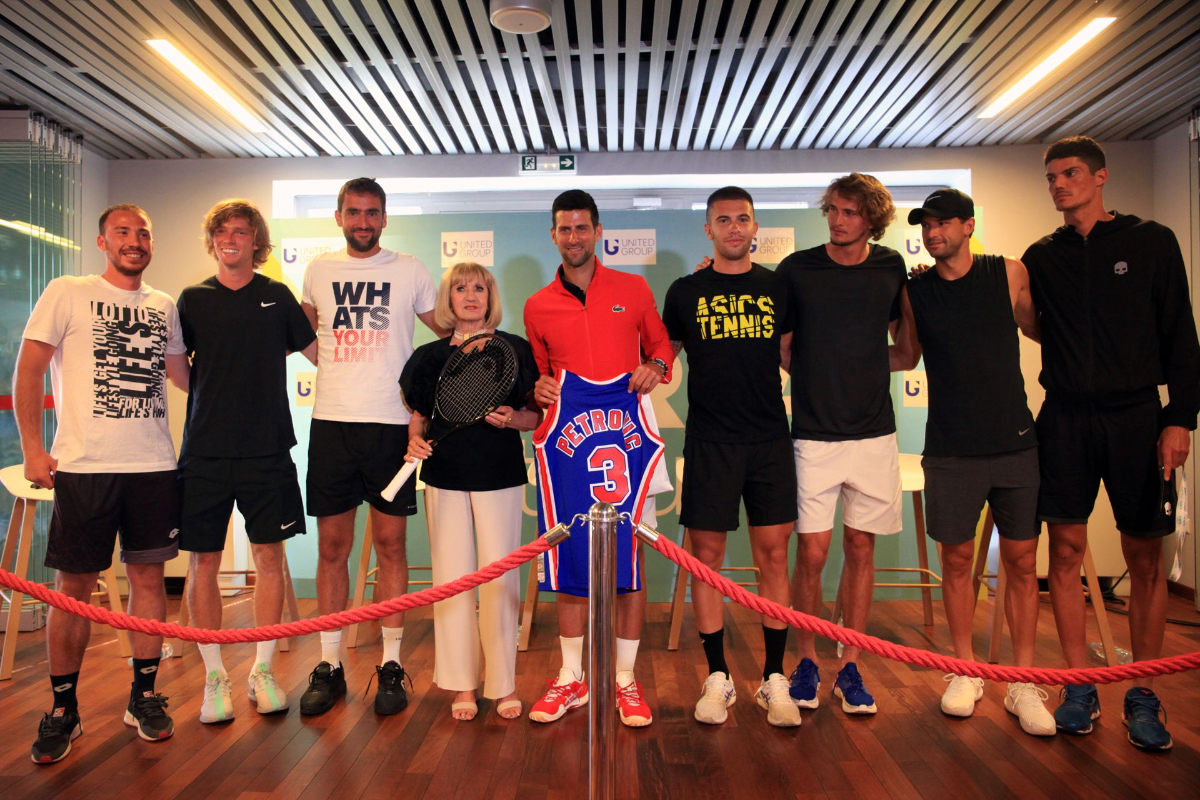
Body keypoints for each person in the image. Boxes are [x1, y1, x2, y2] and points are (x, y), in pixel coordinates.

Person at [1023, 136, 1200, 750]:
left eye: (1070, 173)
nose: (1059, 185)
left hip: (1137, 418)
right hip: (1065, 417)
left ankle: (1142, 691)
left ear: (1100, 177)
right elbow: (1036, 324)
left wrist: (1180, 419)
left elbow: (1181, 334)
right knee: (1065, 552)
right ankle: (1079, 685)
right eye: (1051, 177)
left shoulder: (1151, 241)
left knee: (1144, 556)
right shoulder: (1042, 256)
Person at [15, 204, 189, 763]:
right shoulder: (68, 291)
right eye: (123, 232)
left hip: (153, 466)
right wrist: (33, 447)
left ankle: (144, 697)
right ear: (102, 242)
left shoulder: (164, 305)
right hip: (84, 467)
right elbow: (29, 369)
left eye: (143, 233)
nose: (134, 241)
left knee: (148, 582)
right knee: (74, 589)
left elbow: (185, 377)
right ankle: (63, 710)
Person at [901, 188, 1055, 735]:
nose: (932, 232)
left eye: (943, 222)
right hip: (950, 449)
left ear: (968, 226)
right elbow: (906, 354)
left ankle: (1023, 680)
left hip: (1016, 443)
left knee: (1021, 562)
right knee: (958, 560)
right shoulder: (915, 291)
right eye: (925, 224)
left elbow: (1043, 329)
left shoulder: (1007, 273)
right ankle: (964, 669)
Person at [523, 189, 675, 727]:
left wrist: (656, 367)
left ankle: (625, 679)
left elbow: (662, 348)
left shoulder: (632, 289)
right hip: (571, 446)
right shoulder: (537, 305)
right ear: (554, 234)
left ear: (598, 231)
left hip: (626, 442)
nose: (574, 237)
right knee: (570, 556)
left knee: (631, 558)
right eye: (565, 228)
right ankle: (572, 677)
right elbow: (540, 376)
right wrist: (540, 387)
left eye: (582, 227)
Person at [298, 178, 446, 717]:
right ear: (339, 216)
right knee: (332, 549)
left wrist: (424, 392)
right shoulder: (318, 269)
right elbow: (305, 336)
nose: (363, 221)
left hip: (391, 426)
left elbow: (449, 332)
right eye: (354, 212)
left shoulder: (410, 269)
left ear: (384, 218)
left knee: (390, 546)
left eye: (372, 212)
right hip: (332, 424)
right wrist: (344, 368)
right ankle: (329, 664)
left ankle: (390, 664)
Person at [776, 173, 915, 716]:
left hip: (875, 434)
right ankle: (807, 660)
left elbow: (905, 348)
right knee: (811, 552)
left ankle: (851, 664)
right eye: (833, 209)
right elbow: (783, 347)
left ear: (872, 219)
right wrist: (820, 379)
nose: (837, 220)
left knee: (861, 548)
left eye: (850, 212)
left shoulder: (891, 267)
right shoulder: (797, 269)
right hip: (814, 435)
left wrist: (862, 369)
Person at [177, 199, 317, 724]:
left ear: (256, 241)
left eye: (241, 231)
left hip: (267, 450)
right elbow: (179, 370)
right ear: (212, 239)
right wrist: (215, 399)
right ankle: (214, 676)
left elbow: (320, 355)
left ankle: (262, 670)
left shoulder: (277, 296)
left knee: (269, 559)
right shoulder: (192, 299)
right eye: (222, 230)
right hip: (205, 452)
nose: (230, 238)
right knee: (203, 562)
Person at [663, 186, 799, 727]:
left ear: (755, 226)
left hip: (769, 440)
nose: (734, 227)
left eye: (743, 218)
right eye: (724, 220)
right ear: (709, 229)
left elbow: (792, 355)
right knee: (706, 558)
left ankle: (774, 678)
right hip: (710, 442)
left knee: (774, 557)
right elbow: (661, 359)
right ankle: (717, 676)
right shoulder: (685, 290)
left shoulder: (778, 286)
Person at [399, 262, 538, 721]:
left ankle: (503, 685)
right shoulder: (428, 357)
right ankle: (462, 685)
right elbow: (419, 418)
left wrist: (513, 419)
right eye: (460, 288)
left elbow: (535, 416)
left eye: (479, 287)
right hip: (444, 478)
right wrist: (414, 441)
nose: (471, 295)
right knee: (453, 582)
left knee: (501, 582)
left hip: (499, 475)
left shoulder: (515, 349)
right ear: (449, 299)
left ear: (490, 297)